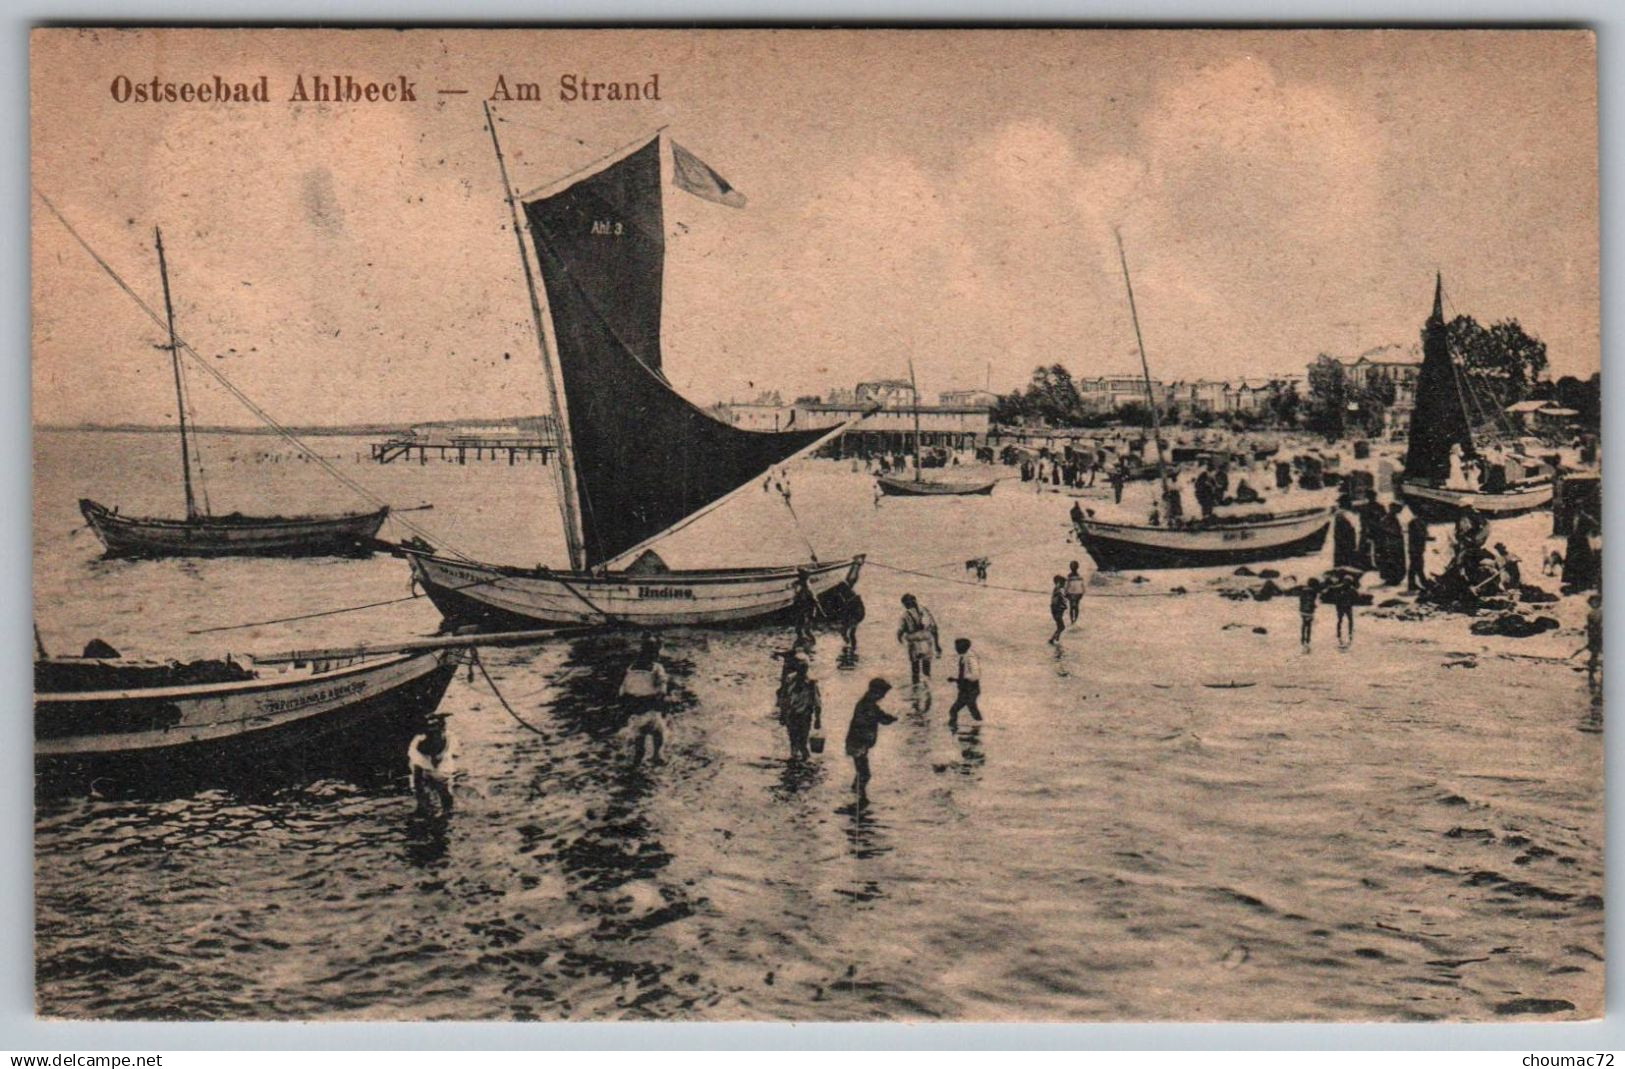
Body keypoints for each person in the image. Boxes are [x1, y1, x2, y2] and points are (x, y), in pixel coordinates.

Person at [620, 632, 670, 767]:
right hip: (650, 706)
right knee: (659, 732)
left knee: (639, 737)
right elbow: (662, 689)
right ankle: (657, 755)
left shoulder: (631, 668)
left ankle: (637, 760)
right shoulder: (656, 668)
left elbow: (623, 690)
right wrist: (662, 698)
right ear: (655, 654)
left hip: (634, 707)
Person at [845, 678, 897, 807]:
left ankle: (856, 793)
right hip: (858, 743)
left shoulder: (868, 704)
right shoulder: (867, 705)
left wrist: (888, 718)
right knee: (865, 773)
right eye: (882, 694)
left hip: (859, 743)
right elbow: (874, 719)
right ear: (875, 692)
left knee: (861, 771)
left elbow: (881, 717)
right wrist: (887, 719)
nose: (883, 697)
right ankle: (860, 797)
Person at [777, 648, 822, 761]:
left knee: (802, 741)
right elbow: (784, 698)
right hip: (791, 714)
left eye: (804, 667)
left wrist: (818, 719)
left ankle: (805, 761)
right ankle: (795, 760)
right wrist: (782, 713)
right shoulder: (790, 679)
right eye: (800, 667)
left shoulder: (811, 683)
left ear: (807, 669)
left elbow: (817, 702)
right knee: (792, 739)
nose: (802, 670)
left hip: (804, 715)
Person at [408, 714, 456, 816]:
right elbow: (417, 774)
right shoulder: (418, 744)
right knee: (422, 791)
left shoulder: (449, 737)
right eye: (430, 729)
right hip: (423, 766)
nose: (434, 732)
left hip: (441, 764)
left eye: (437, 727)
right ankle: (424, 809)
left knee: (444, 790)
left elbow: (450, 754)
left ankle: (447, 810)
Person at [896, 593, 941, 687]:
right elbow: (934, 628)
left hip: (914, 642)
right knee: (926, 667)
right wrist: (937, 645)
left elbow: (900, 631)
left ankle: (916, 689)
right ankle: (927, 689)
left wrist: (900, 640)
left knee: (915, 668)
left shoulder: (905, 615)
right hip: (926, 640)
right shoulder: (925, 612)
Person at [947, 637, 983, 732]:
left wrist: (958, 679)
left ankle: (953, 728)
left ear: (963, 647)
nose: (956, 649)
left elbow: (975, 675)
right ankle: (978, 728)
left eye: (957, 647)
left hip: (970, 688)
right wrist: (956, 679)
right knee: (970, 708)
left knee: (955, 710)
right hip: (966, 688)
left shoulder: (970, 658)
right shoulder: (965, 656)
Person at [1377, 503, 1407, 586]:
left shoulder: (1394, 518)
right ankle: (1391, 579)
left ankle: (1395, 578)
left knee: (1396, 561)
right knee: (1391, 562)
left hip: (1394, 544)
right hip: (1390, 544)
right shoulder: (1386, 519)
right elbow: (1389, 530)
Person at [1406, 512, 1432, 592]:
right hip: (1415, 548)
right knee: (1416, 566)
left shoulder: (1420, 522)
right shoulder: (1414, 523)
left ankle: (1415, 584)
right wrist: (1427, 537)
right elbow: (1418, 535)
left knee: (1416, 566)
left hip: (1418, 548)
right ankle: (1420, 583)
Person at [1294, 577, 1322, 650]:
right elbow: (1312, 601)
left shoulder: (1303, 590)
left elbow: (1301, 599)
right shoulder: (1313, 592)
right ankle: (1308, 639)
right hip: (1309, 610)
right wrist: (1313, 606)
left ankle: (1303, 638)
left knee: (1304, 623)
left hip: (1303, 610)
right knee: (1309, 624)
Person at [1586, 594, 1602, 689]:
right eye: (1593, 602)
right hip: (1596, 636)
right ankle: (1592, 673)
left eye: (1596, 602)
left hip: (1597, 636)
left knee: (1594, 655)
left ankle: (1592, 673)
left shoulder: (1597, 613)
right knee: (1594, 655)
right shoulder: (1593, 613)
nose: (1594, 604)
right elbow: (1592, 628)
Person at [1064, 561, 1086, 625]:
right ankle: (1075, 620)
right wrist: (1082, 593)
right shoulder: (1079, 576)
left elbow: (1067, 585)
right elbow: (1082, 586)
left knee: (1072, 607)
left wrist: (1065, 592)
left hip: (1071, 593)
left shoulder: (1069, 576)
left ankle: (1072, 621)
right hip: (1077, 593)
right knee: (1076, 607)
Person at [1048, 575, 1068, 645]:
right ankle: (1054, 638)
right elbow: (1061, 599)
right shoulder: (1059, 590)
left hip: (1056, 610)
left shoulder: (1057, 589)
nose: (1065, 585)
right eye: (1063, 583)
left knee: (1060, 626)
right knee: (1062, 626)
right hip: (1057, 610)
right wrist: (1064, 605)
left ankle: (1055, 638)